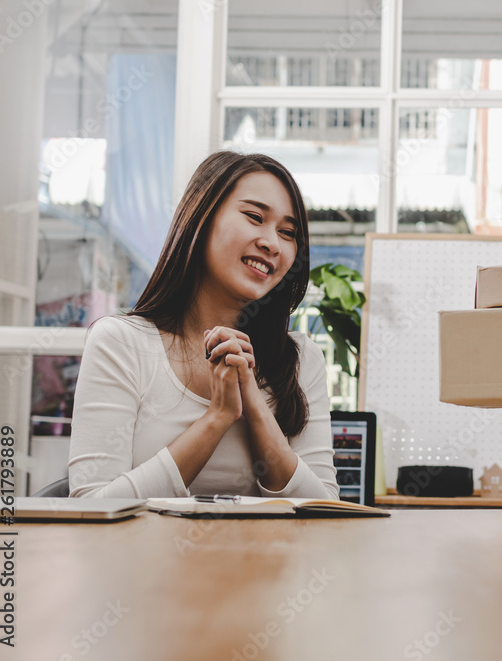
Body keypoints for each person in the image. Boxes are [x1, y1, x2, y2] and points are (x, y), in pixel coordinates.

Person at [69, 151, 339, 500]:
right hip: (142, 557)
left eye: (288, 233)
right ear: (201, 218)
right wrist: (217, 418)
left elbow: (326, 510)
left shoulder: (300, 359)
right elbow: (91, 505)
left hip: (264, 557)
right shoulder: (121, 342)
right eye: (254, 217)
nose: (272, 243)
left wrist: (253, 405)